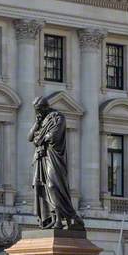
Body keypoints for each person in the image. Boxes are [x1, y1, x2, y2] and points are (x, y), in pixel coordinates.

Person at [29, 96, 85, 230]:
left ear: (45, 107)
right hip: (41, 157)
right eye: (36, 110)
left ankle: (65, 217)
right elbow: (30, 137)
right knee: (41, 187)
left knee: (53, 185)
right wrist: (37, 125)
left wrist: (40, 138)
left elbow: (53, 136)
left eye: (39, 110)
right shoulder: (41, 120)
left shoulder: (58, 117)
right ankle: (53, 219)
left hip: (54, 156)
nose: (37, 113)